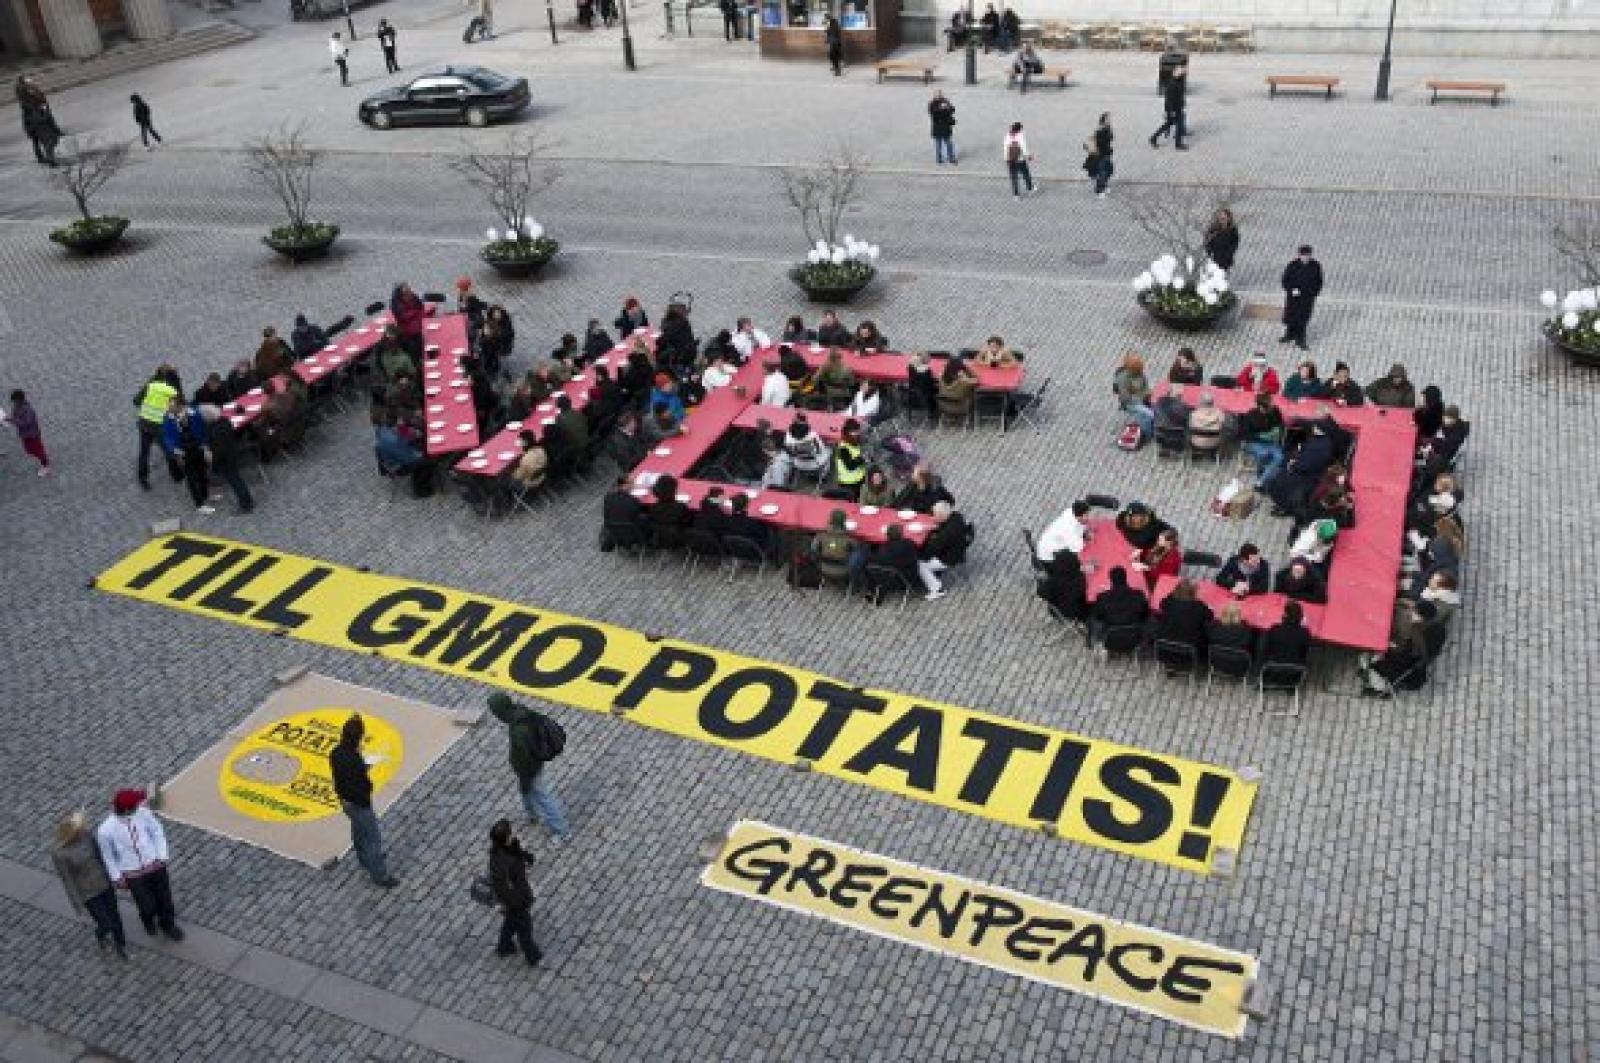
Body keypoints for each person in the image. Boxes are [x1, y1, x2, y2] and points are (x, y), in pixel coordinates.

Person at [97, 788, 184, 941]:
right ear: (126, 809)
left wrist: (161, 855)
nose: (140, 805)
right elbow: (108, 856)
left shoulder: (143, 813)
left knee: (165, 899)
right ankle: (147, 919)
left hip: (155, 864)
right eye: (136, 805)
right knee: (146, 905)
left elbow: (157, 831)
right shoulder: (105, 830)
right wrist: (117, 877)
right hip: (132, 872)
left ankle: (168, 924)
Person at [487, 693, 571, 841]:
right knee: (527, 791)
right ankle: (532, 815)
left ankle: (562, 831)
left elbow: (525, 758)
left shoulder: (518, 730)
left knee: (543, 797)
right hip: (531, 765)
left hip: (530, 769)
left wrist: (525, 775)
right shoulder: (520, 712)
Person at [329, 714, 398, 887]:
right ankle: (380, 876)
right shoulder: (355, 760)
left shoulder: (336, 753)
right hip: (360, 804)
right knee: (372, 839)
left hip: (346, 802)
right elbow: (363, 784)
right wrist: (364, 769)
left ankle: (364, 860)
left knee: (358, 832)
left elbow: (344, 776)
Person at [53, 811, 127, 959]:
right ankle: (100, 933)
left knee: (115, 916)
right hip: (88, 893)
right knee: (106, 923)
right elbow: (68, 880)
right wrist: (78, 904)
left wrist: (115, 875)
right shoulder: (60, 854)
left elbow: (101, 856)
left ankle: (121, 944)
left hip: (104, 883)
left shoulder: (88, 836)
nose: (81, 829)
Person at [486, 819, 543, 965]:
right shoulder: (502, 864)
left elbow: (517, 852)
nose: (513, 834)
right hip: (516, 900)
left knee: (511, 921)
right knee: (525, 930)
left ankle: (504, 946)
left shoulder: (506, 847)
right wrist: (519, 902)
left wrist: (526, 857)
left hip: (517, 895)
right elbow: (504, 889)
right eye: (510, 834)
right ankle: (533, 956)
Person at [161, 399, 213, 513]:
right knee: (191, 479)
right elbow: (167, 438)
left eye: (172, 407)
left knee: (202, 473)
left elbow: (202, 429)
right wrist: (175, 451)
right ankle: (199, 505)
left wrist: (204, 444)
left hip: (197, 447)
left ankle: (205, 495)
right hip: (184, 452)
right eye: (169, 407)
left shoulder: (193, 413)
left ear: (180, 406)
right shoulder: (168, 420)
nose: (169, 409)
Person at [203, 410, 255, 513]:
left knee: (235, 481)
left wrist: (213, 460)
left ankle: (246, 505)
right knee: (237, 479)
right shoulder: (225, 421)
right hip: (231, 455)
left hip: (225, 459)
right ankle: (247, 501)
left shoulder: (215, 430)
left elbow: (219, 450)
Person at [1090, 566, 1149, 644]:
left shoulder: (1102, 597)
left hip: (1110, 638)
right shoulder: (1139, 595)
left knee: (1092, 619)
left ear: (1111, 579)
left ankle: (1091, 644)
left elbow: (1098, 616)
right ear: (1125, 577)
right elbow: (1145, 614)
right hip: (1134, 636)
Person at [1153, 579, 1212, 657]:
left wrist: (1177, 590)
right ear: (1193, 592)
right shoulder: (1199, 606)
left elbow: (1163, 601)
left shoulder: (1168, 603)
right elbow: (1210, 616)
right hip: (1189, 652)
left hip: (1165, 649)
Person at [1280, 245, 1324, 350]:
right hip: (1293, 298)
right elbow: (1286, 279)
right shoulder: (1293, 265)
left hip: (1306, 299)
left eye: (1307, 255)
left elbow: (1318, 281)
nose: (1305, 258)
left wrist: (1313, 293)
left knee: (1302, 319)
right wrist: (1291, 289)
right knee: (1291, 317)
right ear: (1299, 255)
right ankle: (1289, 334)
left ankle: (1301, 339)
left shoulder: (1315, 266)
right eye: (1303, 255)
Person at [1239, 392, 1285, 488]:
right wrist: (1261, 436)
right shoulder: (1250, 415)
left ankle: (1260, 481)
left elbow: (1281, 424)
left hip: (1271, 442)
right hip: (1254, 442)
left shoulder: (1275, 410)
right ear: (1261, 407)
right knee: (1264, 454)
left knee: (1279, 457)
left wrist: (1278, 430)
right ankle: (1263, 474)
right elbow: (1244, 435)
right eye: (1269, 407)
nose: (1272, 407)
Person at [18, 76, 61, 166]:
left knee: (42, 140)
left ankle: (44, 158)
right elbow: (38, 105)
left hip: (37, 121)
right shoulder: (28, 95)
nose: (33, 83)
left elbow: (43, 103)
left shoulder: (29, 94)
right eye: (30, 82)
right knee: (47, 139)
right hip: (39, 121)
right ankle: (49, 159)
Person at [1113, 352, 1154, 438]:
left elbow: (1145, 385)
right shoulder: (1123, 379)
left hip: (1143, 397)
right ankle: (1148, 434)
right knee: (1150, 414)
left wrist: (1148, 393)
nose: (1141, 371)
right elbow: (1125, 398)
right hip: (1131, 403)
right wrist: (1141, 398)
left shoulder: (1140, 373)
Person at [8, 390, 49, 476]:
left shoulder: (28, 409)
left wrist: (12, 420)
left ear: (19, 400)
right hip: (25, 434)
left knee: (38, 450)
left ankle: (45, 465)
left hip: (32, 434)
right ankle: (43, 460)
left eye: (14, 401)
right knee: (28, 449)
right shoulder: (16, 407)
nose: (13, 403)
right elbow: (16, 417)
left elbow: (26, 423)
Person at [1149, 63, 1188, 150]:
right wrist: (1171, 111)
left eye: (1183, 73)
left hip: (1177, 108)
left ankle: (1153, 138)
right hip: (1174, 109)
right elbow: (1169, 100)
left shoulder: (1178, 81)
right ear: (1175, 73)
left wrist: (1182, 102)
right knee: (1178, 125)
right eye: (1181, 72)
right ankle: (1178, 144)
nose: (1183, 74)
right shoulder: (1172, 84)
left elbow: (1179, 95)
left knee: (1168, 125)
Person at [390, 283, 426, 362]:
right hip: (408, 332)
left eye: (409, 290)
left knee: (423, 345)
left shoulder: (414, 298)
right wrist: (416, 313)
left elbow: (421, 309)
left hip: (419, 327)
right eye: (406, 292)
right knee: (414, 349)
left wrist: (420, 318)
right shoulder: (397, 305)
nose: (409, 293)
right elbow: (404, 316)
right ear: (401, 294)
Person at [831, 420, 867, 493]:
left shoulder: (853, 441)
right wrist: (863, 458)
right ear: (848, 432)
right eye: (855, 431)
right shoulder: (843, 448)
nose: (857, 433)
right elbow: (850, 466)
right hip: (850, 482)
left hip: (857, 477)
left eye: (858, 431)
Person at [1003, 122, 1034, 198]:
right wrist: (1028, 156)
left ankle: (1016, 195)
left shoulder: (1007, 136)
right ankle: (1030, 188)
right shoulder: (1020, 136)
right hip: (1019, 159)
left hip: (1010, 159)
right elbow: (1024, 148)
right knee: (1025, 174)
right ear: (1019, 129)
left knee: (1014, 177)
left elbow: (1005, 148)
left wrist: (1006, 158)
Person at [1086, 112, 1113, 197]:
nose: (1109, 120)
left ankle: (1103, 185)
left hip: (1107, 154)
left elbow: (1110, 138)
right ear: (1103, 120)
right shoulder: (1100, 130)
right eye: (1108, 119)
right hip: (1101, 154)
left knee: (1109, 170)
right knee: (1103, 172)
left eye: (1109, 119)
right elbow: (1100, 143)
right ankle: (1099, 190)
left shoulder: (1107, 128)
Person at [929, 90, 958, 166]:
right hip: (938, 127)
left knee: (949, 144)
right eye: (938, 95)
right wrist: (944, 109)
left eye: (940, 95)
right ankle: (939, 159)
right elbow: (935, 114)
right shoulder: (932, 104)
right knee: (938, 144)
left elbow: (952, 109)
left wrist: (946, 108)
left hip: (945, 127)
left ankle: (951, 158)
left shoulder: (945, 101)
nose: (939, 96)